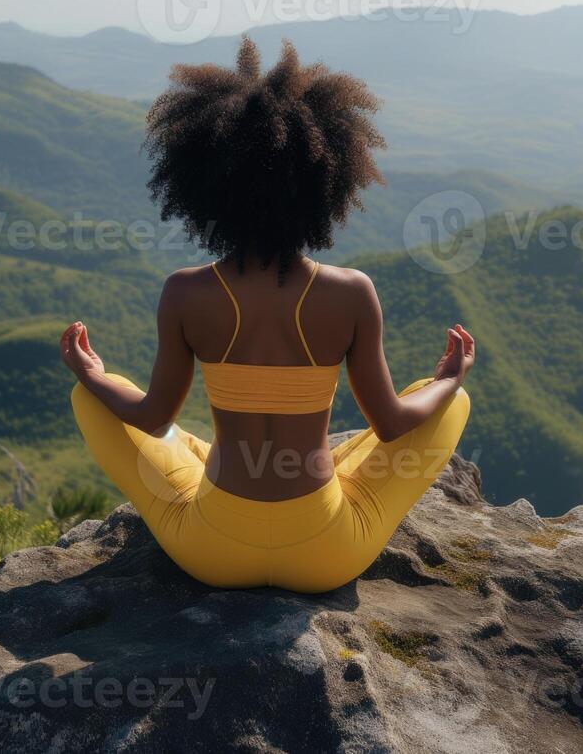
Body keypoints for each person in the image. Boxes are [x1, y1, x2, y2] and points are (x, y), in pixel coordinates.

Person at [61, 37, 473, 593]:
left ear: (202, 187)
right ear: (328, 185)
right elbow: (393, 425)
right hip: (328, 554)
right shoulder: (352, 293)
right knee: (446, 403)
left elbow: (154, 416)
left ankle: (187, 449)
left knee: (97, 400)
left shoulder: (184, 292)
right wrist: (448, 379)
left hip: (212, 552)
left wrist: (93, 374)